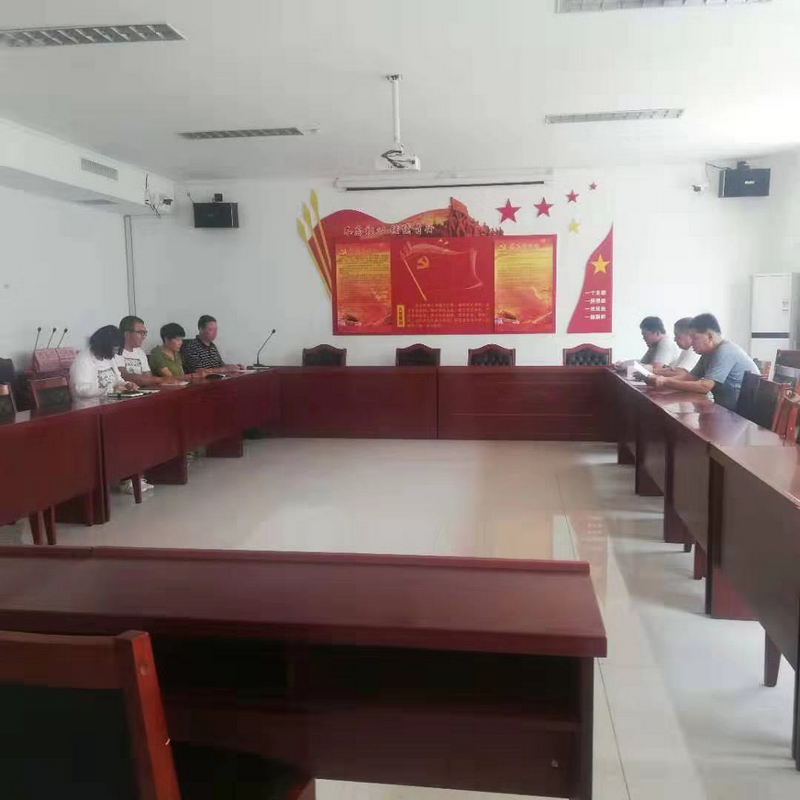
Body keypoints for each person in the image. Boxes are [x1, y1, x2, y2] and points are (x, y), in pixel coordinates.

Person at [646, 313, 759, 410]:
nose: (691, 342)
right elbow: (690, 377)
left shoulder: (724, 351)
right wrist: (659, 379)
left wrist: (665, 381)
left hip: (742, 414)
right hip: (727, 407)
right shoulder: (708, 352)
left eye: (694, 338)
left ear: (709, 336)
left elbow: (705, 386)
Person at [70, 326, 137, 399]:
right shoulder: (83, 360)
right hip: (90, 404)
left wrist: (126, 384)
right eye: (114, 349)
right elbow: (83, 391)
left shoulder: (108, 357)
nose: (116, 353)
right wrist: (112, 389)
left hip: (111, 401)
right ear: (105, 347)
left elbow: (117, 379)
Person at [116, 316, 173, 387]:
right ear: (127, 334)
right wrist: (161, 379)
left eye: (144, 333)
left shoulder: (140, 352)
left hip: (142, 390)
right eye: (140, 332)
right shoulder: (115, 351)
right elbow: (124, 376)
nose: (143, 337)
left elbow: (148, 377)